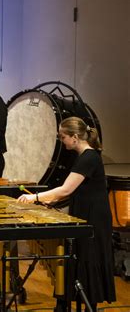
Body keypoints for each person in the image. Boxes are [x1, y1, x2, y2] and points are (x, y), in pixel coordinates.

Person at [17, 116, 116, 312]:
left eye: (63, 137)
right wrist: (52, 201)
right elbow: (78, 190)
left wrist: (34, 198)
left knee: (89, 259)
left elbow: (65, 189)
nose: (62, 141)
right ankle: (65, 303)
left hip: (94, 219)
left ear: (75, 137)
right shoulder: (85, 157)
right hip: (85, 214)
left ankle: (87, 304)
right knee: (79, 258)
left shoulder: (89, 157)